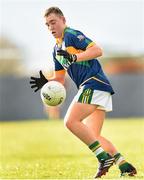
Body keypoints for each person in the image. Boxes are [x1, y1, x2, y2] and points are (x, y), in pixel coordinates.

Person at [29, 7, 137, 178]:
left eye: (53, 22)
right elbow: (59, 79)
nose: (50, 27)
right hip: (96, 88)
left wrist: (74, 57)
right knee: (92, 135)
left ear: (63, 20)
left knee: (70, 121)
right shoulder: (56, 50)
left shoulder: (72, 34)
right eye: (47, 25)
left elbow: (97, 51)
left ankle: (103, 158)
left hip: (94, 84)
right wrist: (45, 82)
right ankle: (123, 164)